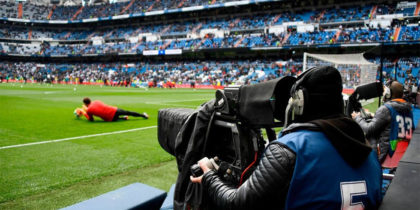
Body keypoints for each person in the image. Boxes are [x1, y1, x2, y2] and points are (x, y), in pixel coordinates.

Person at [190, 66, 382, 209]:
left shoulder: (290, 149)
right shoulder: (369, 150)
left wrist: (209, 176)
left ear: (299, 102)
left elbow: (236, 203)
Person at [352, 81, 414, 168]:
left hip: (388, 156)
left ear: (389, 93)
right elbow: (393, 121)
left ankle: (371, 165)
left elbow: (369, 129)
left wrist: (357, 117)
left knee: (371, 135)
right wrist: (374, 115)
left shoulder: (386, 109)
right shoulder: (409, 110)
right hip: (403, 154)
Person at [75, 97, 148, 121]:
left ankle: (123, 118)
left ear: (85, 104)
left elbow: (91, 120)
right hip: (113, 110)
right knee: (128, 112)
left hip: (109, 119)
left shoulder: (89, 110)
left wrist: (83, 112)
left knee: (115, 119)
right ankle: (143, 115)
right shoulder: (96, 101)